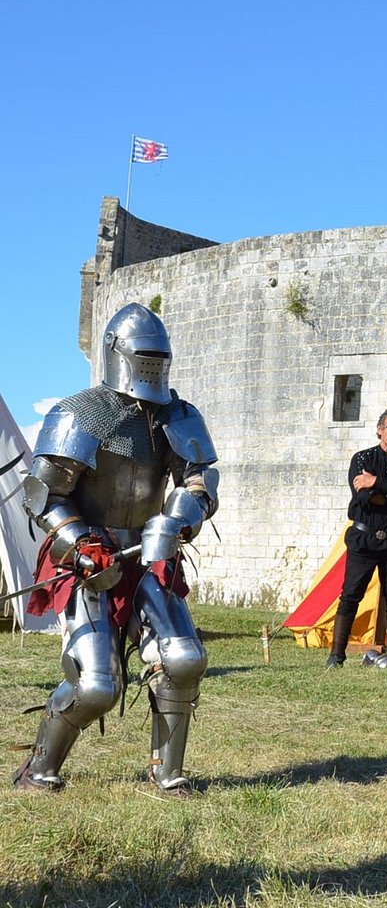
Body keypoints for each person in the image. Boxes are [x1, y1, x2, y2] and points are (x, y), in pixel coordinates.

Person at [14, 303, 219, 794]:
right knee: (96, 685)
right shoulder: (80, 412)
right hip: (92, 554)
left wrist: (174, 522)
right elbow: (43, 495)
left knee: (185, 659)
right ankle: (39, 770)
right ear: (117, 354)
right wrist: (79, 542)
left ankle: (167, 775)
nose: (152, 364)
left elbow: (200, 481)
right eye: (143, 354)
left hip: (150, 552)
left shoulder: (177, 415)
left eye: (159, 355)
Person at [327, 407, 387, 671]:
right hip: (364, 540)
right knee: (351, 595)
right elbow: (364, 498)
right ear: (380, 429)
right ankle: (336, 656)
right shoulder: (363, 459)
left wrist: (377, 483)